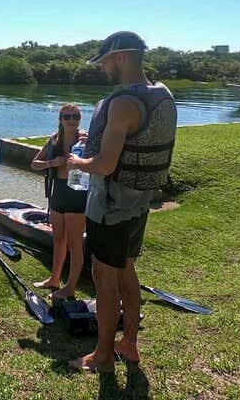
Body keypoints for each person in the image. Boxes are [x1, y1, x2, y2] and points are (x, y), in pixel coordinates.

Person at [66, 31, 177, 372]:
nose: (102, 69)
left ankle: (102, 357)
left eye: (104, 62)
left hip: (111, 208)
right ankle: (129, 344)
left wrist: (77, 162)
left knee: (105, 280)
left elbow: (104, 165)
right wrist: (96, 139)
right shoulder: (162, 94)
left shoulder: (123, 102)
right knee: (127, 269)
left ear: (121, 58)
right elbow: (134, 140)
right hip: (139, 204)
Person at [30, 103, 87, 300]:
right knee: (58, 239)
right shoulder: (54, 140)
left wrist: (90, 148)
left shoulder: (86, 139)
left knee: (74, 243)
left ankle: (70, 287)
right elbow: (34, 164)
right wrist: (51, 163)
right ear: (61, 120)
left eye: (75, 116)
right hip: (58, 192)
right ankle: (54, 279)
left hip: (78, 192)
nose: (72, 120)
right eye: (67, 116)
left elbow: (100, 161)